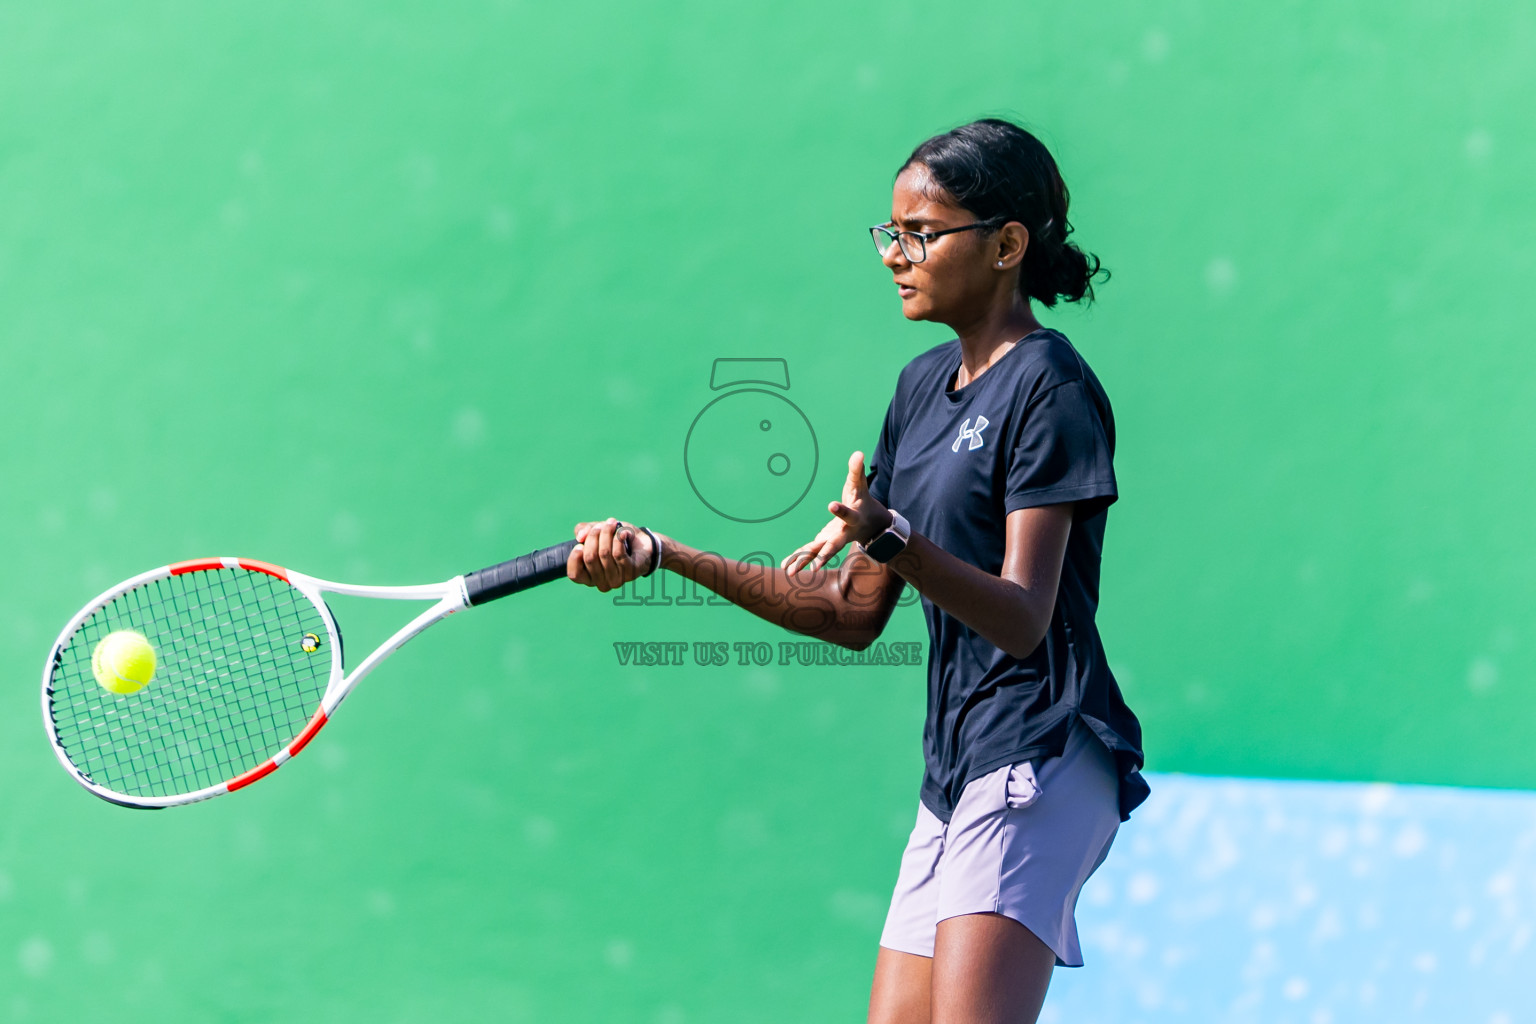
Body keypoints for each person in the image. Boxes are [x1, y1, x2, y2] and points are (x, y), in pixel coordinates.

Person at [566, 117, 1148, 1024]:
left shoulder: (1050, 385)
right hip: (953, 773)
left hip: (1039, 751)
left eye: (921, 233)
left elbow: (1026, 617)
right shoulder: (919, 390)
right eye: (891, 233)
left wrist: (892, 539)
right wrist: (665, 554)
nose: (894, 254)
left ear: (1005, 245)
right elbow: (848, 613)